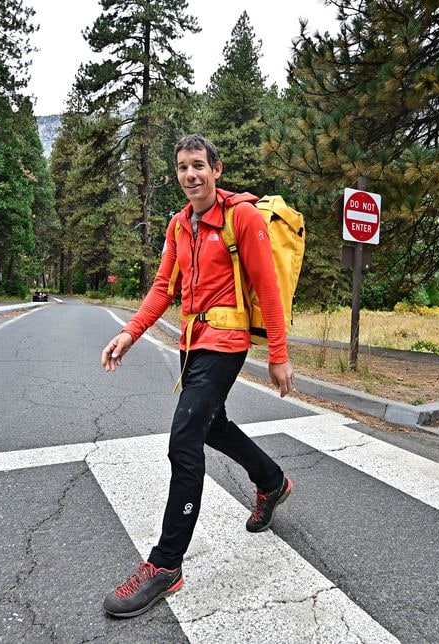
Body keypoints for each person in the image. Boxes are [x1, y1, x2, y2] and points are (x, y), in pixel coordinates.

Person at [99, 134, 296, 618]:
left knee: (183, 440)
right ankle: (271, 481)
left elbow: (267, 287)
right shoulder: (177, 225)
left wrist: (278, 353)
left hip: (225, 345)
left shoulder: (242, 218)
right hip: (192, 345)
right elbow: (163, 287)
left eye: (199, 166)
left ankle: (166, 564)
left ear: (217, 169)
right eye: (183, 168)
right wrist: (130, 333)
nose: (191, 175)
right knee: (211, 426)